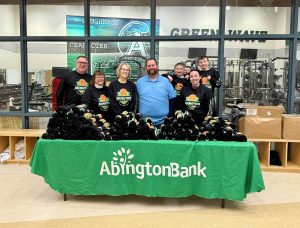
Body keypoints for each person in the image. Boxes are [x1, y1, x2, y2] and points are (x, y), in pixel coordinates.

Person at [137, 58, 176, 126]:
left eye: (153, 65)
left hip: (163, 122)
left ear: (157, 66)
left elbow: (173, 99)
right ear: (146, 68)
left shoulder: (165, 81)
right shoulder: (140, 82)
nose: (151, 67)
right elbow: (136, 100)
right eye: (149, 66)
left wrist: (169, 116)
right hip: (144, 122)